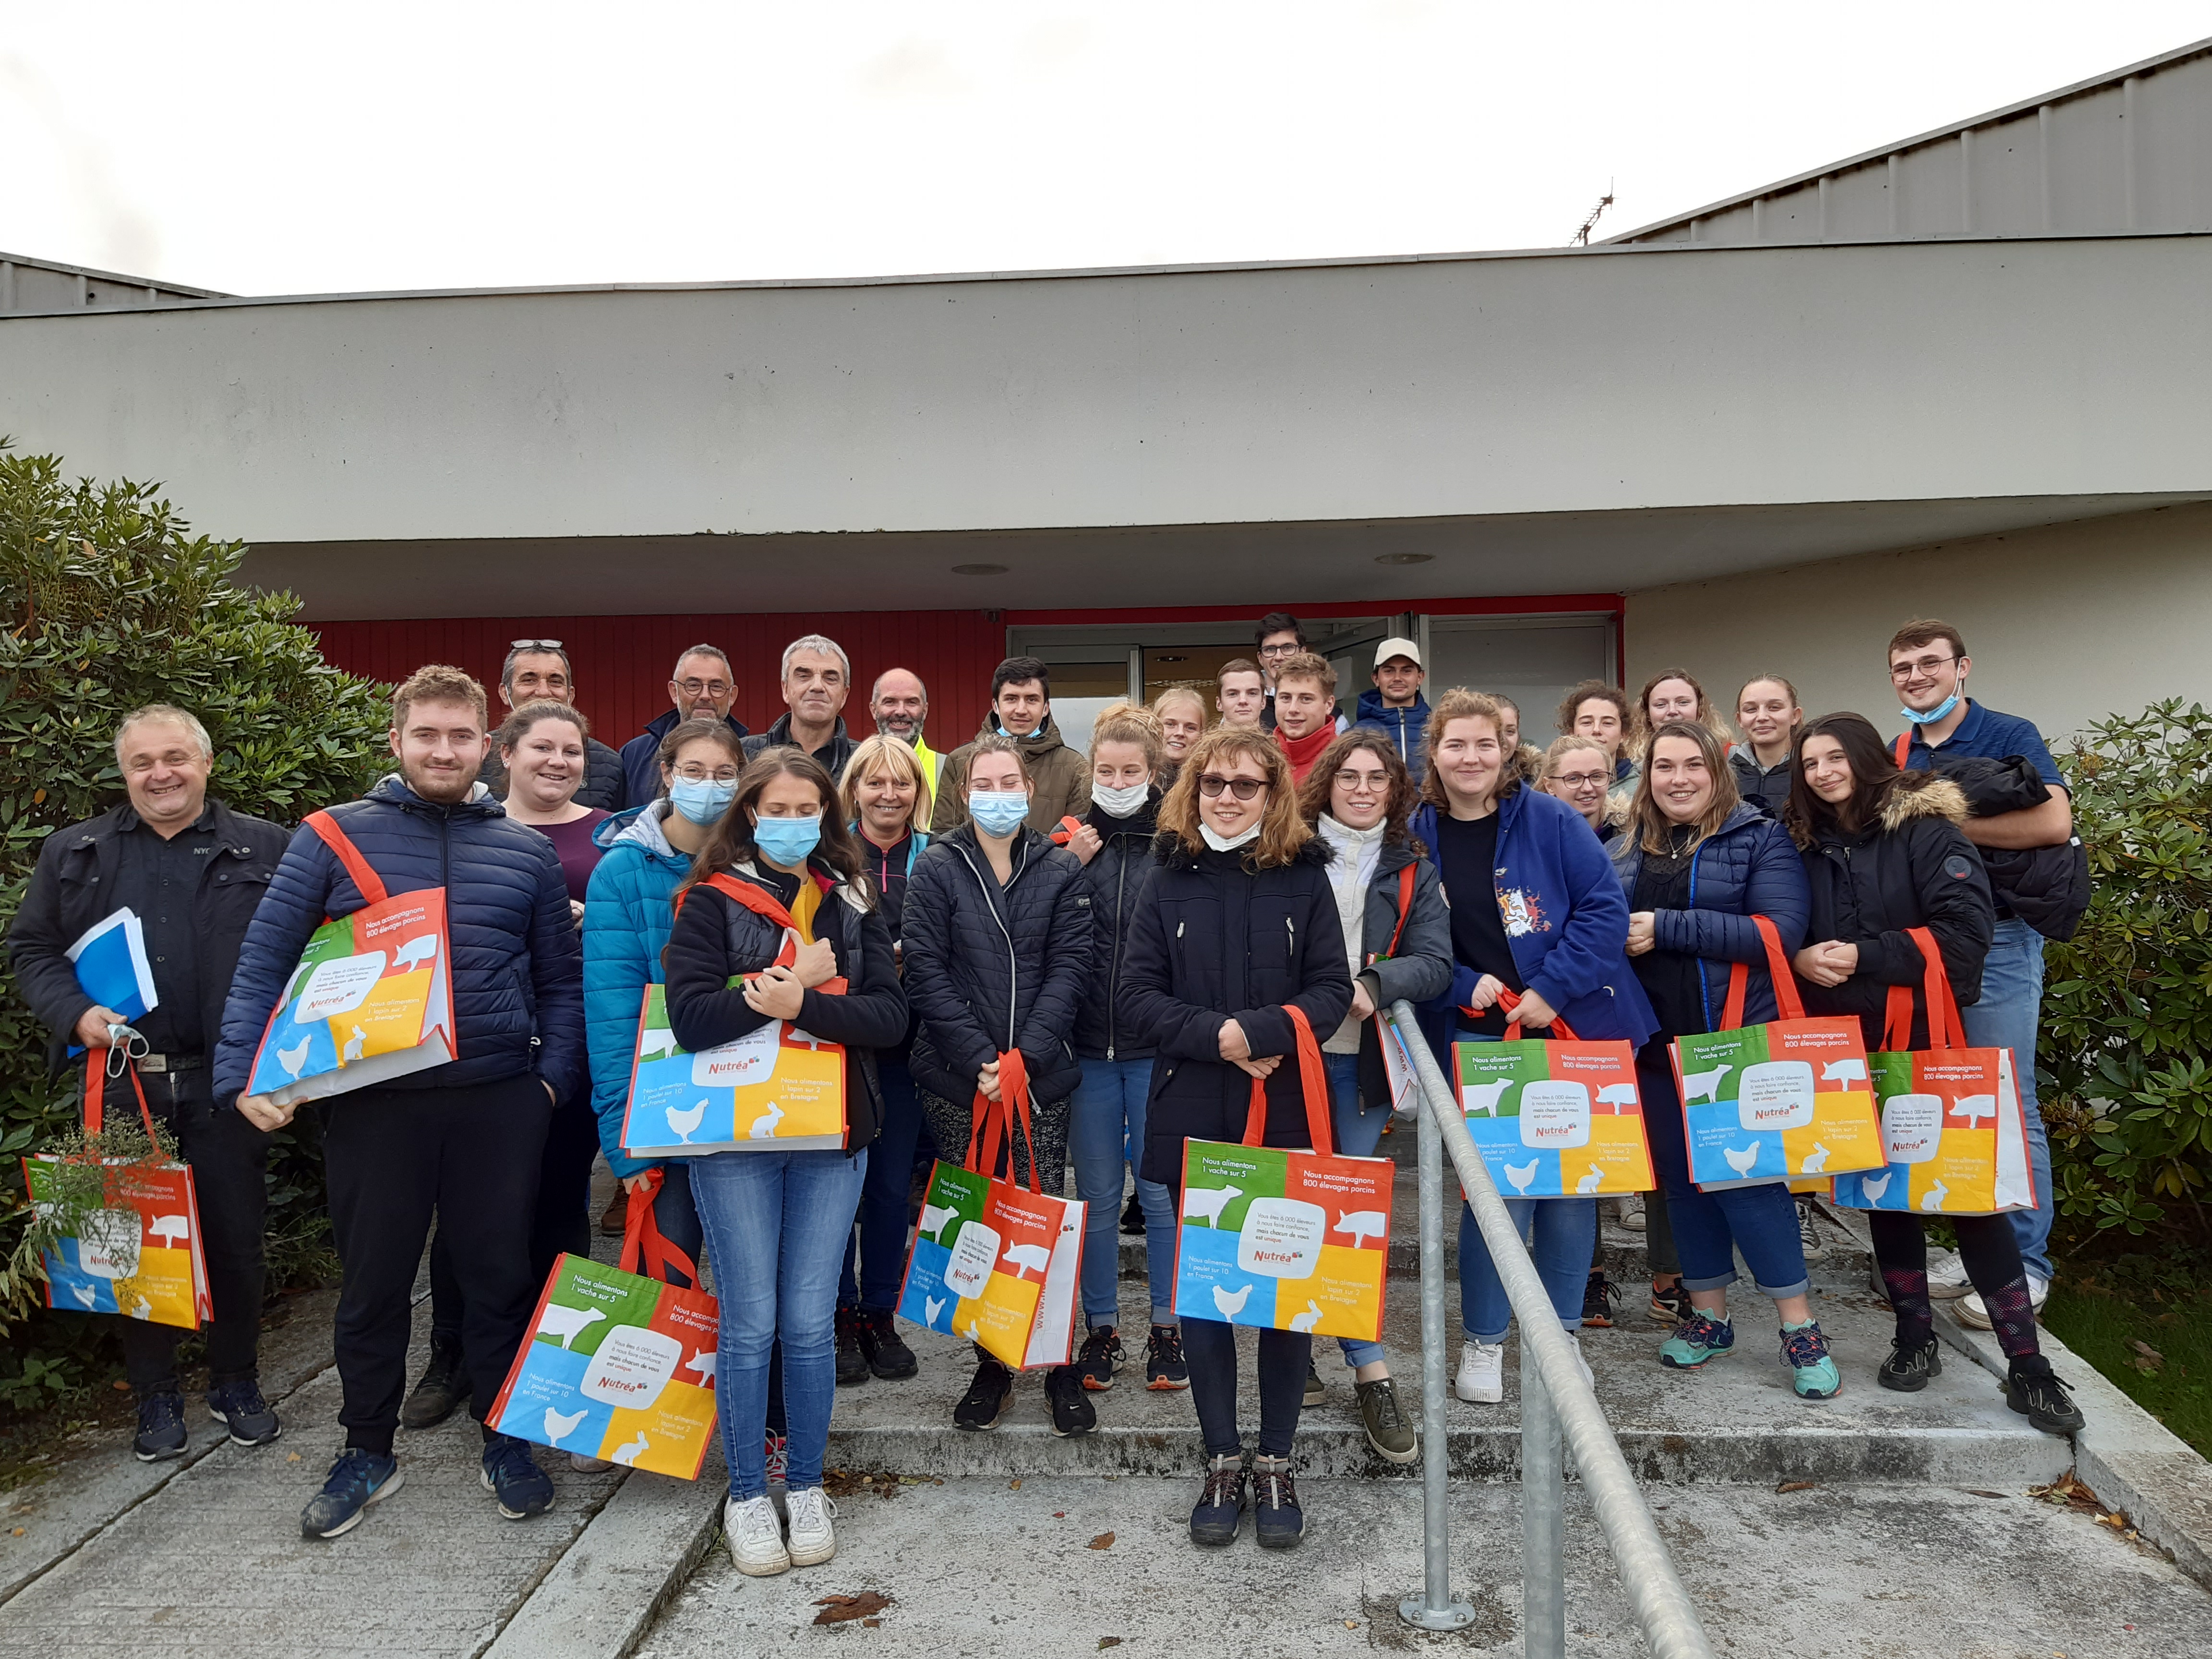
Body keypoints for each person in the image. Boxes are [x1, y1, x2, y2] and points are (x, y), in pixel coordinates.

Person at [215, 665, 585, 1540]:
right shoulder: (331, 837)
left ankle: (504, 1438)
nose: (445, 750)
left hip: (499, 1102)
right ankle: (366, 1449)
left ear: (485, 745)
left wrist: (548, 1085)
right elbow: (264, 962)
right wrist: (243, 1075)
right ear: (397, 741)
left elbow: (559, 986)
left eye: (461, 736)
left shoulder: (525, 852)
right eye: (428, 734)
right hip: (377, 1105)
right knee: (374, 1284)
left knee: (499, 1277)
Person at [1786, 713, 2083, 1434]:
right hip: (1858, 1047)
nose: (1823, 772)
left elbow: (1965, 935)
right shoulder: (1807, 846)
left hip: (1931, 1042)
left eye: (1835, 758)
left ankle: (2029, 1366)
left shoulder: (1925, 829)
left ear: (1864, 758)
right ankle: (1913, 1337)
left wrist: (1867, 955)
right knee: (1888, 1195)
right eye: (1810, 762)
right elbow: (1793, 935)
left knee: (1970, 1200)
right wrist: (1802, 960)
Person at [9, 705, 290, 1462]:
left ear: (205, 762)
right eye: (142, 763)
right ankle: (156, 1395)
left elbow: (314, 955)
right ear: (123, 771)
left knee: (234, 1239)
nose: (160, 774)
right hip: (123, 1084)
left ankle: (235, 1381)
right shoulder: (76, 853)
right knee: (130, 1249)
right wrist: (73, 1015)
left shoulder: (270, 847)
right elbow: (31, 948)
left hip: (229, 1084)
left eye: (175, 758)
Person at [663, 748, 910, 1575]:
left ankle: (801, 1482)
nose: (795, 820)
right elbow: (691, 1020)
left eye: (810, 806)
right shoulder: (706, 900)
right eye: (779, 806)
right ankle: (744, 1495)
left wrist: (803, 1001)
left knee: (807, 1325)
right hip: (734, 1139)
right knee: (750, 1322)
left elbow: (889, 1018)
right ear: (750, 813)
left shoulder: (852, 898)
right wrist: (775, 984)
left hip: (829, 1138)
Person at [1121, 726, 1352, 1549]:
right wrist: (1216, 1036)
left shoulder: (1303, 877)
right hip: (1193, 1105)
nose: (1226, 795)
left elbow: (1332, 986)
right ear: (1192, 789)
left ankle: (1277, 1459)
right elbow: (1136, 996)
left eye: (1243, 784)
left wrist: (1257, 1032)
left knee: (1283, 1295)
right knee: (1211, 1292)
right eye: (1212, 782)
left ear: (1271, 793)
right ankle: (1221, 1454)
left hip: (1283, 1106)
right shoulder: (1165, 876)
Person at [1409, 690, 1655, 1407]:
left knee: (1570, 1194)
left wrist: (1551, 988)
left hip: (1573, 1026)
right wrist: (1461, 983)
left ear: (1506, 752)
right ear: (1435, 754)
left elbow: (1604, 909)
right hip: (1479, 1036)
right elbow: (1405, 938)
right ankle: (1484, 1341)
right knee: (1495, 1199)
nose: (1471, 758)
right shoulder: (1417, 832)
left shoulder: (1549, 819)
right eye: (1456, 745)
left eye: (1485, 745)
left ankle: (1562, 1336)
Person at [1611, 722, 1841, 1398]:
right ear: (1646, 774)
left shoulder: (1759, 837)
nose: (1678, 779)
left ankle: (1799, 1326)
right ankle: (1709, 1315)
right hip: (1650, 1045)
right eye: (1663, 767)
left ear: (1717, 771)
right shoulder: (1623, 846)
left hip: (1729, 1043)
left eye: (1692, 765)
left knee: (1747, 1183)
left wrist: (1665, 928)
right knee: (1681, 1185)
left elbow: (1778, 932)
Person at [404, 701, 611, 1440]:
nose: (558, 762)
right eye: (542, 748)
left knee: (560, 1208)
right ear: (507, 755)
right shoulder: (467, 831)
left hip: (571, 1052)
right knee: (467, 1221)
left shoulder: (607, 836)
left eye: (572, 750)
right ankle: (451, 1357)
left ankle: (549, 1360)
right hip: (484, 1055)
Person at [905, 735, 1094, 1432]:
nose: (997, 792)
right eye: (983, 782)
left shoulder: (1057, 867)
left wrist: (1028, 1058)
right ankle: (992, 1361)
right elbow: (924, 967)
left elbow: (1073, 965)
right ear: (963, 793)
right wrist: (982, 1058)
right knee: (980, 1217)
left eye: (1009, 780)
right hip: (960, 1079)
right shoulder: (937, 866)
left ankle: (1057, 1361)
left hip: (1039, 1079)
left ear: (1027, 788)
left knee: (1045, 1215)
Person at [1886, 620, 2070, 1330]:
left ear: (1962, 668)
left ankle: (2028, 1262)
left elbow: (2053, 823)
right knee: (1952, 1097)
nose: (1916, 677)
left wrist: (1938, 823)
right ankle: (1974, 1245)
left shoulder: (2005, 732)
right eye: (1903, 667)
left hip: (1998, 941)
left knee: (2008, 1098)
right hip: (1928, 950)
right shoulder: (1898, 748)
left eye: (1930, 663)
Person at [1294, 728, 1450, 1463]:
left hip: (1361, 1069)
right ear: (1325, 782)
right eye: (1348, 776)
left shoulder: (1412, 867)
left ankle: (1368, 1368)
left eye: (1376, 778)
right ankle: (1298, 1356)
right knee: (1296, 1207)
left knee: (1347, 1216)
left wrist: (1376, 985)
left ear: (1395, 791)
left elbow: (1437, 962)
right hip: (1285, 1060)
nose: (1361, 788)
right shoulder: (1286, 853)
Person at [1062, 705, 1186, 1398]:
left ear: (1152, 771)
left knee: (1163, 1195)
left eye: (1130, 771)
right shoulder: (1068, 842)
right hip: (1087, 1050)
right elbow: (1040, 925)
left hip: (1156, 1048)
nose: (1117, 780)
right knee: (1100, 1197)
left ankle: (1167, 1328)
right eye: (1105, 770)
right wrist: (1067, 868)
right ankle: (1102, 1326)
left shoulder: (1177, 843)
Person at [1534, 734, 1660, 1325]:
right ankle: (1587, 1281)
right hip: (1547, 1013)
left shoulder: (1634, 840)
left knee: (1590, 1160)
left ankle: (1626, 1281)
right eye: (1572, 777)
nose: (1586, 788)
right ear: (1548, 784)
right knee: (1559, 1155)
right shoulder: (1532, 840)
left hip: (1609, 1014)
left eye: (1597, 777)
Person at [832, 733, 933, 1385]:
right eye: (876, 782)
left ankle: (880, 1312)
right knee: (838, 1190)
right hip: (838, 1044)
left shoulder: (939, 855)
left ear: (918, 793)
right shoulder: (829, 853)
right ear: (855, 789)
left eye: (902, 783)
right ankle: (839, 1313)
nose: (889, 794)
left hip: (907, 1045)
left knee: (893, 1188)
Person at [929, 657, 1091, 835]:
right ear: (996, 706)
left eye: (1031, 700)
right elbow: (944, 834)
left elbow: (1076, 838)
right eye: (1011, 699)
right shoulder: (959, 761)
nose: (1021, 709)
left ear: (1046, 708)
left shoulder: (1074, 767)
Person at [477, 640, 627, 810]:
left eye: (555, 681)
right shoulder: (476, 755)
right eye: (529, 680)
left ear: (570, 695)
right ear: (505, 693)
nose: (543, 692)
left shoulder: (609, 763)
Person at [618, 645, 749, 807]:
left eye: (716, 686)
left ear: (732, 695)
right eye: (693, 685)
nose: (705, 696)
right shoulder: (634, 755)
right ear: (674, 692)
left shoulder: (750, 755)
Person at [745, 634, 859, 781]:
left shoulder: (864, 761)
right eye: (804, 676)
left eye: (830, 678)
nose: (817, 687)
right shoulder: (744, 755)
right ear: (785, 689)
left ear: (844, 695)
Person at [1353, 636, 1430, 777]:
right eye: (1389, 671)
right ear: (1376, 679)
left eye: (1406, 671)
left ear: (1420, 677)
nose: (1397, 678)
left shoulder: (1439, 728)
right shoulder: (1355, 733)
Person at [1730, 673, 1803, 820]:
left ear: (1795, 716)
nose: (1762, 717)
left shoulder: (1811, 771)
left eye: (1774, 707)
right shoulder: (1724, 775)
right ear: (1740, 720)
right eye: (1751, 710)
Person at [1556, 681, 1638, 804]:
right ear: (1571, 732)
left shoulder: (1643, 789)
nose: (1596, 730)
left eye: (1608, 723)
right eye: (1587, 723)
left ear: (1623, 734)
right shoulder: (1554, 786)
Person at [1269, 651, 1340, 784]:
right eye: (1285, 698)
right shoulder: (1259, 757)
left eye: (1306, 699)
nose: (1293, 709)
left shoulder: (1345, 761)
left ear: (1329, 705)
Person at [869, 668, 939, 793]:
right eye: (890, 702)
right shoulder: (858, 765)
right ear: (874, 710)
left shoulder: (947, 769)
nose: (901, 711)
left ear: (925, 711)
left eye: (911, 703)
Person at [1151, 685, 1208, 788]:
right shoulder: (1136, 778)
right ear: (1154, 726)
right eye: (1170, 724)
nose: (1180, 733)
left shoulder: (1207, 781)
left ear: (1202, 734)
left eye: (1190, 728)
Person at [1215, 659, 1267, 731]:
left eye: (1252, 693)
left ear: (1263, 702)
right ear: (1219, 704)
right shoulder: (1204, 742)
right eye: (1233, 694)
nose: (1243, 700)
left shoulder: (1276, 742)